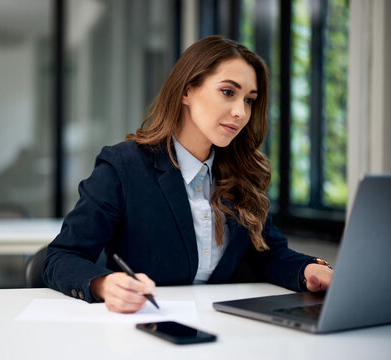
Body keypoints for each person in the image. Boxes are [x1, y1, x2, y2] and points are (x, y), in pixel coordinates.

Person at [43, 35, 333, 314]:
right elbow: (61, 257)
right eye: (228, 92)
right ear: (186, 91)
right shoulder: (124, 167)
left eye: (249, 100)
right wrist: (104, 284)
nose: (240, 112)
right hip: (145, 328)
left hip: (224, 329)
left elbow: (267, 253)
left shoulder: (242, 173)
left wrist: (310, 270)